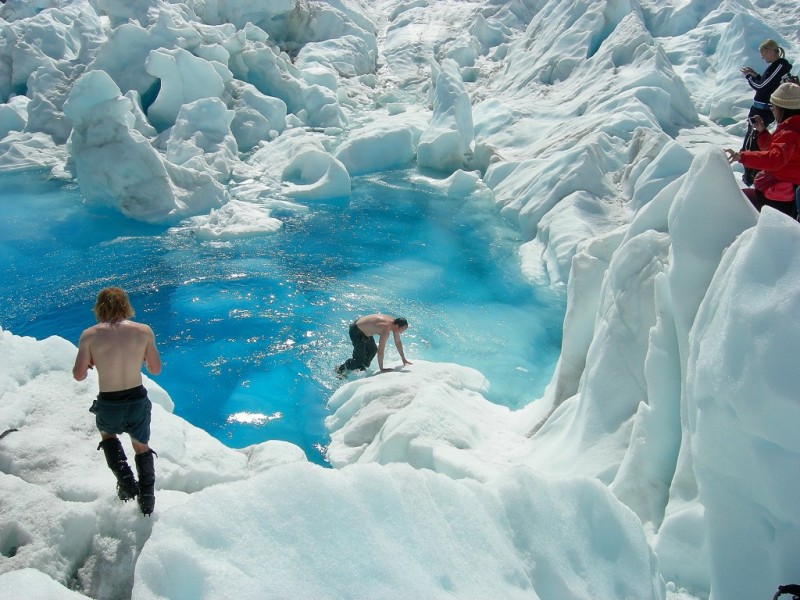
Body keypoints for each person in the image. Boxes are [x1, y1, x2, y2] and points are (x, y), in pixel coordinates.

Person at [72, 287, 162, 516]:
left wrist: (93, 361)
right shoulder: (143, 331)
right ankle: (147, 501)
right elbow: (155, 369)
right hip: (136, 400)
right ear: (125, 306)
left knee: (108, 436)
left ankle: (127, 485)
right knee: (141, 446)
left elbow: (79, 375)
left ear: (100, 308)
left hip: (109, 402)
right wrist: (139, 355)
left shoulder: (89, 335)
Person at [726, 82, 800, 219]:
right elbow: (777, 151)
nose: (772, 110)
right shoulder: (792, 128)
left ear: (784, 108)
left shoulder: (790, 133)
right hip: (784, 193)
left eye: (773, 106)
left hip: (780, 195)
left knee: (735, 203)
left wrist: (742, 156)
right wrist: (762, 132)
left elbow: (774, 159)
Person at [739, 39, 793, 186]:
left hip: (762, 110)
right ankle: (751, 172)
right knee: (752, 138)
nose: (762, 57)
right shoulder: (776, 66)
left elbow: (762, 87)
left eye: (763, 53)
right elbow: (767, 83)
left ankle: (752, 175)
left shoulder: (779, 65)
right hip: (760, 109)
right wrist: (755, 74)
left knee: (753, 140)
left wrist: (749, 77)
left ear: (770, 51)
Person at [336, 313, 412, 376]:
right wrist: (382, 369)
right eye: (402, 330)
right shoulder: (385, 329)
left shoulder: (394, 323)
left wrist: (403, 359)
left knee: (373, 350)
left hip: (364, 330)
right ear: (397, 326)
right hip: (356, 331)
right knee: (359, 360)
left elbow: (398, 342)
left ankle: (361, 368)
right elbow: (381, 350)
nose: (401, 332)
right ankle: (341, 369)